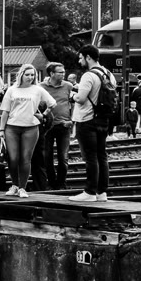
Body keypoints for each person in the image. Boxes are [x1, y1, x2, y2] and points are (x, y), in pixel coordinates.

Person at [0, 63, 56, 198]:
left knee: (26, 158)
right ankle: (14, 185)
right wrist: (1, 129)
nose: (30, 77)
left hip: (31, 127)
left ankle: (22, 188)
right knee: (13, 158)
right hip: (12, 127)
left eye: (32, 75)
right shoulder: (12, 90)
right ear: (21, 75)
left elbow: (52, 103)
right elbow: (5, 111)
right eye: (27, 75)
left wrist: (43, 115)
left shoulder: (37, 89)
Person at [71, 46, 113, 202]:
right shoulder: (108, 74)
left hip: (86, 120)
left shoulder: (88, 75)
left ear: (88, 57)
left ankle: (89, 192)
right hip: (103, 119)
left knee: (90, 157)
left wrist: (72, 95)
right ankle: (101, 192)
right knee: (102, 155)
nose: (79, 61)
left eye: (81, 57)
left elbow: (81, 99)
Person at [39, 62, 75, 190]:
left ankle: (61, 183)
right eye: (60, 72)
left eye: (64, 72)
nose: (63, 74)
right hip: (47, 127)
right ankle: (51, 183)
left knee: (63, 157)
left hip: (64, 125)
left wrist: (72, 120)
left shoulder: (68, 86)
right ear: (51, 73)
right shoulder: (41, 87)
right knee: (47, 156)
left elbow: (75, 103)